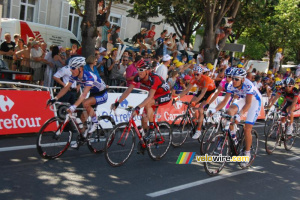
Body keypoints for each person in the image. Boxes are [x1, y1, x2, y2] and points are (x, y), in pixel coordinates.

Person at [47, 57, 108, 148]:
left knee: (85, 103)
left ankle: (95, 123)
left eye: (73, 68)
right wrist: (55, 98)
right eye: (71, 68)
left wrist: (73, 106)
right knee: (82, 118)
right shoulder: (74, 76)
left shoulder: (89, 77)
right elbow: (66, 88)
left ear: (81, 68)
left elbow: (83, 94)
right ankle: (82, 138)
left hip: (102, 94)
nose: (71, 70)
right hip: (93, 94)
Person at [208, 68, 262, 167]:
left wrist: (239, 114)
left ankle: (247, 153)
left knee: (247, 129)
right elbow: (225, 102)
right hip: (242, 99)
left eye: (236, 79)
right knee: (229, 112)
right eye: (233, 78)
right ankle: (233, 135)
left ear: (242, 79)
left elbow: (248, 104)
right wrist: (214, 110)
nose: (234, 81)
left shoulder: (248, 85)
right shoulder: (230, 85)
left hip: (254, 102)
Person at [111, 61, 171, 145]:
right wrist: (118, 102)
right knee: (143, 119)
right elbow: (128, 90)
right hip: (154, 95)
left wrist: (138, 107)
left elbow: (150, 97)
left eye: (142, 70)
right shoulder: (137, 77)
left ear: (147, 71)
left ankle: (151, 128)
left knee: (147, 103)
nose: (139, 72)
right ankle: (146, 141)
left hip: (165, 95)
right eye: (138, 69)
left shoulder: (154, 78)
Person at [176, 65, 216, 139]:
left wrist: (196, 102)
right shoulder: (194, 79)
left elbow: (203, 93)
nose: (196, 76)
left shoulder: (206, 79)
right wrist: (177, 98)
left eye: (197, 74)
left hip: (209, 92)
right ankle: (197, 121)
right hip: (201, 90)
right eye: (194, 74)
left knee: (200, 108)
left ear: (201, 74)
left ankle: (198, 130)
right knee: (191, 105)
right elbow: (186, 90)